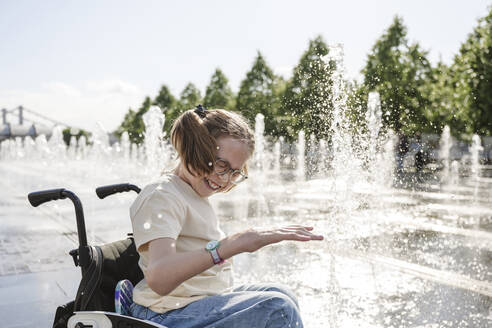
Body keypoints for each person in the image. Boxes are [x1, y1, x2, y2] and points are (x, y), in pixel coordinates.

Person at [128, 105, 324, 328]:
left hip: (195, 303)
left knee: (281, 293)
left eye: (235, 173)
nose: (224, 179)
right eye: (221, 165)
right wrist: (230, 246)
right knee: (279, 308)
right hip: (165, 314)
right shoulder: (163, 195)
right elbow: (159, 278)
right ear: (195, 148)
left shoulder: (192, 193)